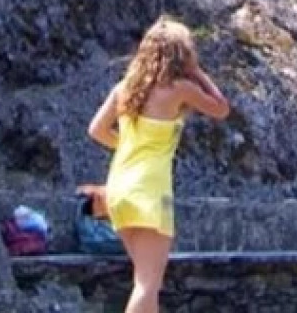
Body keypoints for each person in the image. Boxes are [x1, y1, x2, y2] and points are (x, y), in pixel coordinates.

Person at [86, 18, 231, 313]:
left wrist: (130, 147)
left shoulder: (125, 88)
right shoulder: (179, 88)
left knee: (147, 280)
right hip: (149, 192)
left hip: (118, 189)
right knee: (147, 284)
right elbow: (221, 108)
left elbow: (96, 131)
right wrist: (198, 72)